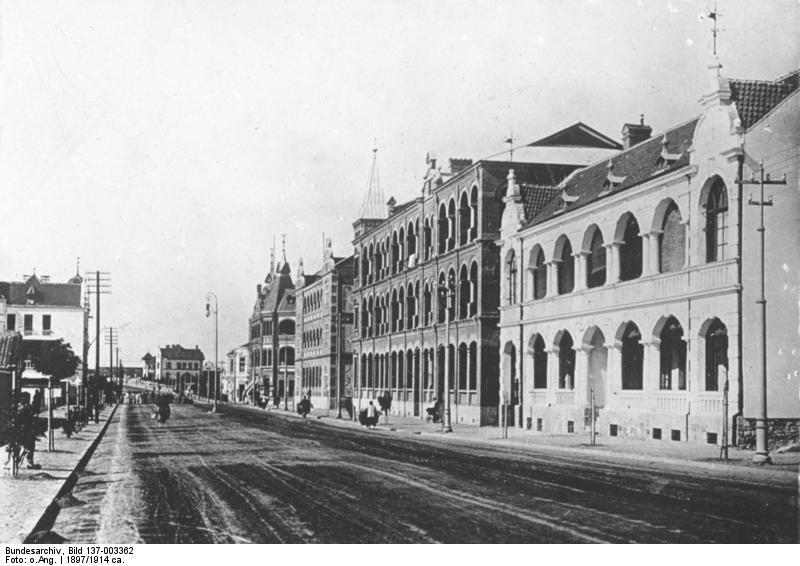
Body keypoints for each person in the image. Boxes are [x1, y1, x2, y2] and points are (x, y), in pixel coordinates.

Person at [20, 399, 41, 470]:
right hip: (26, 431)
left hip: (22, 431)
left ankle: (28, 461)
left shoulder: (21, 408)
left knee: (28, 446)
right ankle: (30, 462)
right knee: (30, 446)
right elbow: (31, 420)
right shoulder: (27, 409)